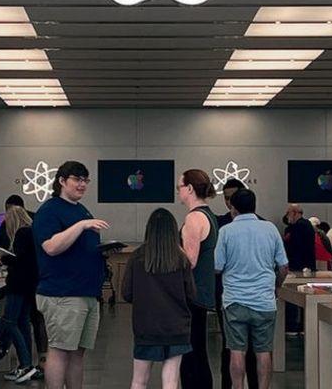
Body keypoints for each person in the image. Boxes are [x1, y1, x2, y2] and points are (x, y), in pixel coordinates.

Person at [32, 161, 108, 389]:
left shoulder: (81, 210)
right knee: (60, 350)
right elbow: (51, 247)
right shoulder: (50, 210)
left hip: (87, 293)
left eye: (86, 180)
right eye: (77, 179)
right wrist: (81, 225)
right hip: (63, 294)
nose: (82, 184)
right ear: (62, 181)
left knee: (77, 353)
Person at [215, 189, 288, 389]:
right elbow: (283, 266)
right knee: (264, 352)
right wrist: (275, 287)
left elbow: (217, 267)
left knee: (236, 351)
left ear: (233, 208)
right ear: (254, 206)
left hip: (234, 302)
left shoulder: (226, 231)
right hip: (264, 301)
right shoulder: (270, 229)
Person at [122, 208, 196, 389]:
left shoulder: (137, 257)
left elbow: (127, 293)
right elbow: (191, 294)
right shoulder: (181, 259)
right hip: (176, 328)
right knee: (171, 381)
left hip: (146, 327)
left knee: (139, 380)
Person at [177, 169, 220, 389]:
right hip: (201, 292)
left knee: (190, 353)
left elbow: (189, 260)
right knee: (198, 350)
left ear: (190, 189)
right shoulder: (209, 215)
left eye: (180, 187)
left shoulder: (194, 218)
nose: (178, 192)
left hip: (191, 294)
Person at [215, 178, 258, 389]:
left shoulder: (262, 225)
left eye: (232, 198)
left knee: (255, 348)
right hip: (227, 296)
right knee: (229, 347)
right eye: (226, 199)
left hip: (256, 297)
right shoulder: (219, 224)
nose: (229, 203)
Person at [0, 205, 41, 384]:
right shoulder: (33, 233)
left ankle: (25, 364)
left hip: (18, 284)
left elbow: (19, 260)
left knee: (9, 322)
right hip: (30, 285)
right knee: (23, 323)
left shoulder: (21, 234)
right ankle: (27, 364)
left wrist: (4, 258)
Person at [282, 204, 316, 334]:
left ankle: (292, 325)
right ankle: (301, 325)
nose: (286, 215)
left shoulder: (299, 227)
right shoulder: (305, 226)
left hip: (299, 268)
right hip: (304, 266)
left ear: (295, 213)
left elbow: (295, 247)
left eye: (288, 213)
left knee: (294, 296)